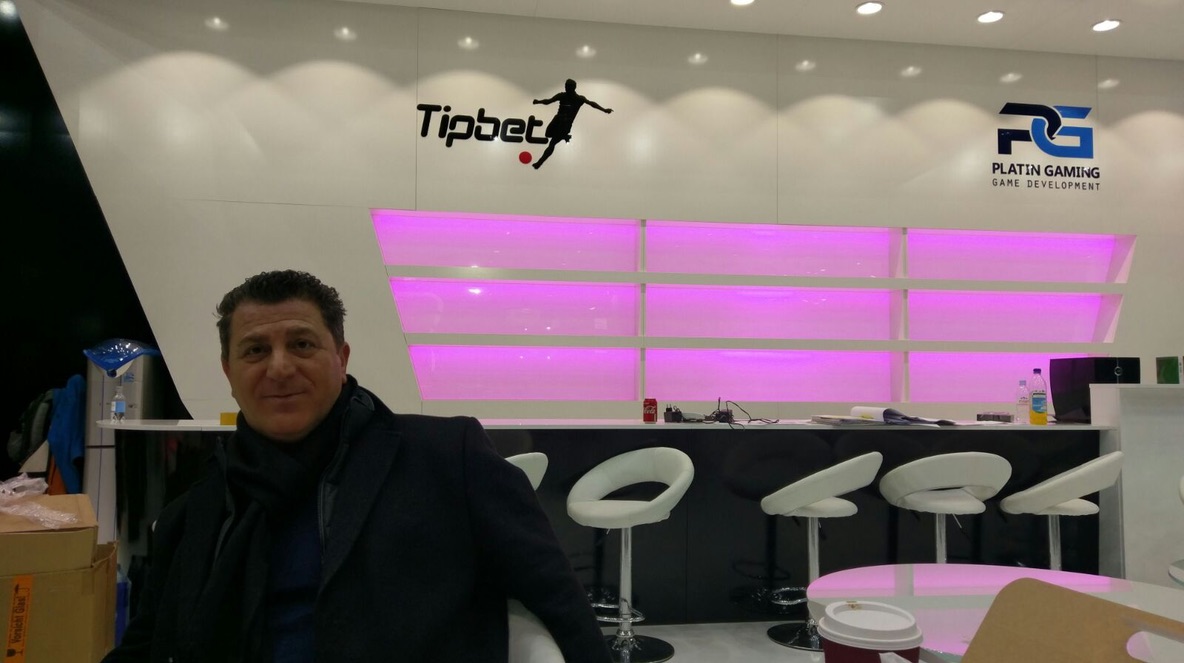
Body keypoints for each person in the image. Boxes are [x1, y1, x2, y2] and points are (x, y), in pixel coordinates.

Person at [103, 270, 611, 663]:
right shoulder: (199, 511)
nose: (279, 367)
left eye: (301, 344)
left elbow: (558, 598)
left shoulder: (446, 458)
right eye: (255, 350)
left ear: (341, 357)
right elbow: (148, 642)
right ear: (228, 372)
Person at [531, 79, 613, 169]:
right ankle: (564, 136)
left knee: (552, 143)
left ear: (573, 88)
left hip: (565, 124)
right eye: (566, 86)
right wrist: (538, 102)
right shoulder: (562, 95)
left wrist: (604, 110)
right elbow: (549, 101)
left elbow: (592, 104)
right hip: (557, 120)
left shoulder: (579, 99)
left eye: (568, 87)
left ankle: (539, 162)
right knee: (548, 134)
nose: (566, 88)